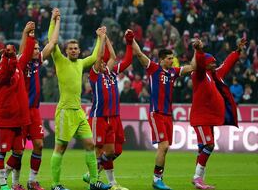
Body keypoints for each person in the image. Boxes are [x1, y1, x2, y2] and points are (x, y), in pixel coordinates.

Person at [48, 23, 110, 190]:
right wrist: (54, 21)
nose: (74, 50)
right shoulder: (60, 60)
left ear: (79, 50)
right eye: (71, 48)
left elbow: (97, 55)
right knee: (60, 148)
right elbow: (51, 41)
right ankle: (55, 185)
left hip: (79, 112)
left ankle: (94, 181)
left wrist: (100, 37)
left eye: (76, 48)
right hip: (64, 112)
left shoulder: (81, 63)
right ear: (66, 51)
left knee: (90, 144)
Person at [4, 8, 61, 190]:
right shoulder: (21, 62)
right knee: (18, 150)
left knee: (38, 144)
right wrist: (26, 33)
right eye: (34, 48)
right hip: (20, 111)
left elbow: (52, 42)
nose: (37, 51)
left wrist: (56, 20)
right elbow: (24, 50)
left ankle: (31, 181)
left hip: (34, 110)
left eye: (38, 48)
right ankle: (11, 180)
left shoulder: (37, 62)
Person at [132, 40, 197, 190]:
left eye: (172, 58)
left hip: (168, 115)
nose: (172, 60)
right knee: (164, 145)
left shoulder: (173, 72)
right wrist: (131, 40)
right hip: (157, 113)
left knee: (165, 148)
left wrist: (196, 51)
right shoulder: (154, 69)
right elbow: (139, 54)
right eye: (169, 58)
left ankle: (159, 179)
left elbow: (193, 67)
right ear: (161, 60)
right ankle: (156, 180)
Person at [189, 38, 246, 189]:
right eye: (212, 62)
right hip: (200, 118)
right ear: (205, 64)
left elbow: (227, 64)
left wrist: (237, 51)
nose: (215, 64)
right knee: (209, 145)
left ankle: (199, 180)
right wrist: (199, 51)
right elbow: (199, 63)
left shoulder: (215, 75)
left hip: (209, 118)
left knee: (203, 148)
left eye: (215, 62)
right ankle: (197, 178)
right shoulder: (199, 75)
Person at [84, 29, 134, 190]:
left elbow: (113, 57)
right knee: (99, 151)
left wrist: (107, 39)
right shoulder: (94, 74)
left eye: (105, 62)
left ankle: (94, 177)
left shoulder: (110, 74)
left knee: (111, 151)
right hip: (99, 117)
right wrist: (101, 38)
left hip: (111, 117)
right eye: (102, 62)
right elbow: (99, 57)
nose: (105, 63)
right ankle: (102, 183)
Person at [0, 24, 36, 190]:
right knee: (1, 152)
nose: (12, 57)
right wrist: (9, 57)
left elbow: (27, 54)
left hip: (19, 119)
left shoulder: (18, 69)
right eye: (7, 55)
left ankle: (12, 179)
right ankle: (3, 184)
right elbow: (7, 70)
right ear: (1, 59)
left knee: (18, 152)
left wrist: (30, 36)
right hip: (3, 119)